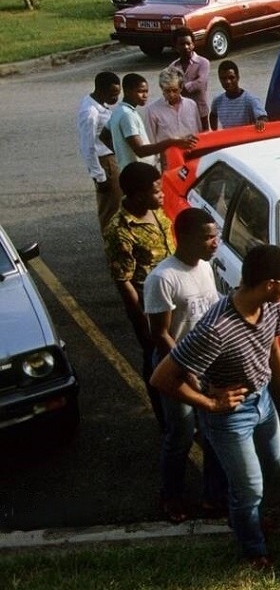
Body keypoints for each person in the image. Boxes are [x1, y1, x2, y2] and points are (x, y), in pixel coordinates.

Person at [150, 244, 280, 569]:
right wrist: (209, 402)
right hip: (230, 417)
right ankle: (254, 549)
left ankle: (244, 520)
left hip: (263, 401)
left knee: (271, 468)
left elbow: (272, 345)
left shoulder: (272, 307)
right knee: (248, 488)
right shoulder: (215, 329)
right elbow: (162, 378)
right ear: (269, 284)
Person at [144, 207, 227, 523]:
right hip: (176, 367)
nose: (214, 242)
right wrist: (187, 370)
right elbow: (160, 333)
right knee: (181, 433)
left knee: (213, 432)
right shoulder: (163, 278)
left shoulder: (205, 268)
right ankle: (171, 496)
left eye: (214, 235)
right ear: (187, 238)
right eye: (208, 237)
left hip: (206, 364)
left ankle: (212, 498)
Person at [104, 161, 175, 430]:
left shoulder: (154, 211)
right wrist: (142, 322)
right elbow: (125, 282)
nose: (162, 195)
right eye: (156, 192)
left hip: (172, 295)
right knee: (155, 358)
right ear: (137, 194)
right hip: (149, 304)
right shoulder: (120, 230)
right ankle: (164, 418)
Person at [109, 73, 196, 169]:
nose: (145, 95)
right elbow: (141, 151)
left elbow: (104, 135)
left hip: (135, 167)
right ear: (128, 91)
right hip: (139, 169)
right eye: (140, 91)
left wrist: (121, 152)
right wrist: (172, 142)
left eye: (146, 91)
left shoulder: (119, 111)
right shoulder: (127, 115)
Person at [78, 71, 123, 232]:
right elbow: (87, 147)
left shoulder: (99, 103)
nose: (115, 99)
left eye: (118, 94)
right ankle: (111, 249)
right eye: (112, 94)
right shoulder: (90, 113)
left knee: (118, 206)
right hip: (105, 164)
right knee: (111, 209)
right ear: (101, 90)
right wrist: (99, 176)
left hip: (112, 160)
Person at [144, 66, 201, 168]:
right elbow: (151, 140)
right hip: (168, 160)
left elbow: (198, 131)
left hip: (192, 155)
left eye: (175, 90)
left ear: (181, 88)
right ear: (162, 88)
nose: (171, 94)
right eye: (167, 91)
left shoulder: (191, 105)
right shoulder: (152, 110)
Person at [170, 28, 209, 131]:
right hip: (182, 112)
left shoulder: (203, 62)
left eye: (188, 43)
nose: (186, 47)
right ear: (176, 47)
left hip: (200, 111)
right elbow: (171, 88)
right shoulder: (173, 67)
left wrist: (180, 88)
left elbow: (200, 83)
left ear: (193, 44)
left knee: (204, 138)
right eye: (182, 44)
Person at [209, 61, 267, 131]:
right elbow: (213, 115)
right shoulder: (218, 101)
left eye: (231, 77)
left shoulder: (250, 99)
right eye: (223, 78)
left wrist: (261, 121)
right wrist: (215, 133)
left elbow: (263, 118)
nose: (228, 81)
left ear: (238, 77)